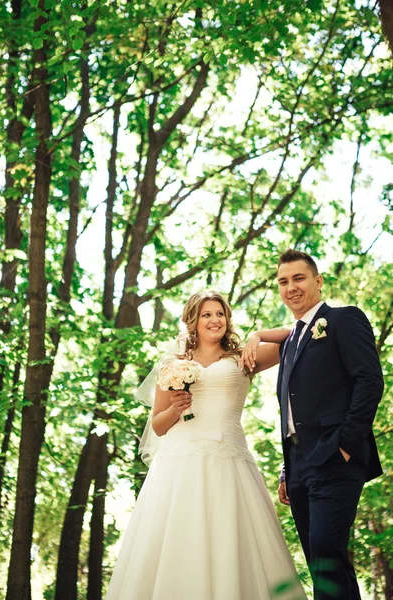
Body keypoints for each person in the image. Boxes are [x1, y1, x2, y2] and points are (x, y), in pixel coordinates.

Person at [105, 291, 307, 600]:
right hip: (179, 459)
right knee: (178, 538)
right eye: (207, 315)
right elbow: (158, 425)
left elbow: (298, 333)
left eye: (220, 314)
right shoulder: (173, 364)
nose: (215, 320)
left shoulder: (243, 357)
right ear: (193, 321)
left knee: (231, 538)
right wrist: (176, 408)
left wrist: (258, 335)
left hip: (230, 458)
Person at [242, 249, 384, 600]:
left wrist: (346, 445)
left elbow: (369, 382)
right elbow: (291, 413)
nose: (291, 287)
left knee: (325, 552)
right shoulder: (290, 341)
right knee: (324, 561)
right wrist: (286, 471)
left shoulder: (343, 320)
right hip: (299, 467)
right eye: (283, 282)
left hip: (336, 457)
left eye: (299, 278)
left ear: (318, 281)